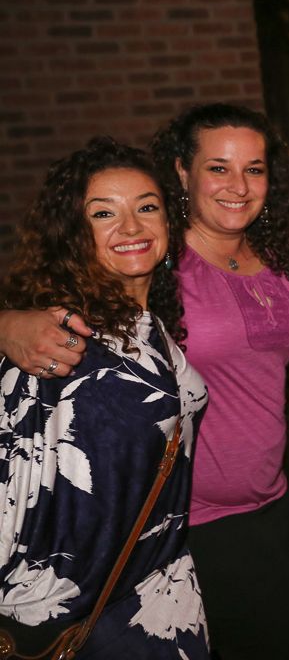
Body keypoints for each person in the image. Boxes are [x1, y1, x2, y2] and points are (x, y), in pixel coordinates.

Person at [0, 103, 289, 659]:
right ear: (182, 172)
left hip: (267, 503)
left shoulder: (274, 249)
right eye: (218, 167)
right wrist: (7, 324)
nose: (238, 185)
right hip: (177, 528)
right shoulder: (146, 266)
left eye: (254, 168)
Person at [0, 138, 208, 657]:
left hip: (159, 593)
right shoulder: (56, 339)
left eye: (147, 207)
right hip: (71, 612)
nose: (132, 227)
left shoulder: (148, 326)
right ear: (73, 234)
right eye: (103, 213)